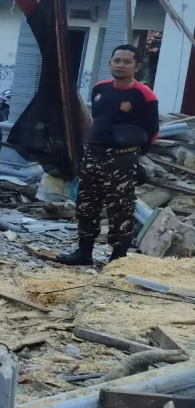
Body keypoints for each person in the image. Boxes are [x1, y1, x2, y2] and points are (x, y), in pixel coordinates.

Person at [58, 44, 159, 265]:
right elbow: (99, 120)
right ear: (110, 63)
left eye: (127, 62)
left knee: (120, 208)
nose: (121, 65)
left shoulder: (144, 95)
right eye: (117, 60)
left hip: (121, 159)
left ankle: (117, 259)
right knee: (86, 205)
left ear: (137, 66)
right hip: (94, 155)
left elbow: (152, 131)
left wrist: (134, 154)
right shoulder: (100, 89)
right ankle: (84, 253)